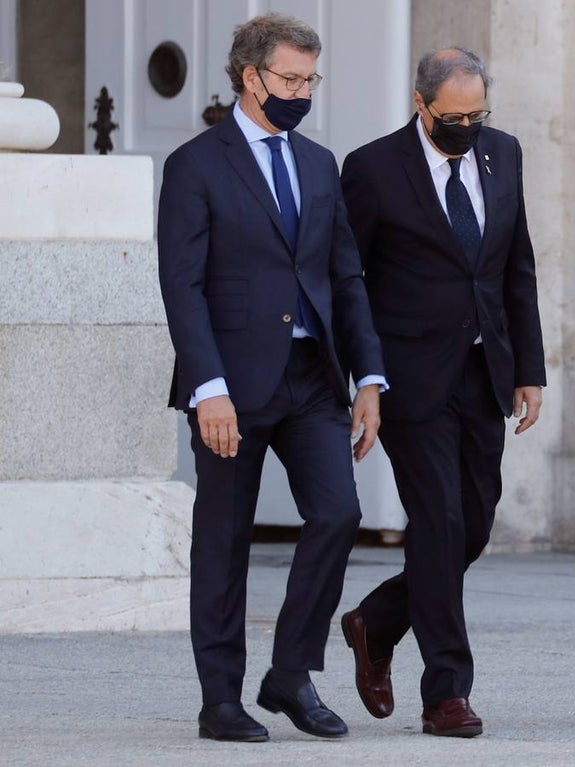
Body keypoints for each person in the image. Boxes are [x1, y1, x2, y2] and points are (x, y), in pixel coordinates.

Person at [157, 12, 386, 743]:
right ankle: (220, 695)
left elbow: (345, 274)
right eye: (289, 78)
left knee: (339, 513)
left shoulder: (319, 164)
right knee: (223, 538)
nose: (301, 91)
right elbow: (182, 286)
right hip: (230, 383)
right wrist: (207, 387)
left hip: (312, 377)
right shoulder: (196, 165)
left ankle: (290, 670)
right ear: (248, 76)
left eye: (309, 79)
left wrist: (370, 375)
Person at [339, 46, 545, 738]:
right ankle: (447, 690)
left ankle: (378, 618)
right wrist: (364, 374)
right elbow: (351, 280)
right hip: (410, 373)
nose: (468, 126)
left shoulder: (503, 154)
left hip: (485, 369)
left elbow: (517, 265)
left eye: (477, 114)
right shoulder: (371, 168)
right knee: (440, 521)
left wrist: (530, 368)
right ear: (420, 104)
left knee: (475, 523)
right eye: (453, 116)